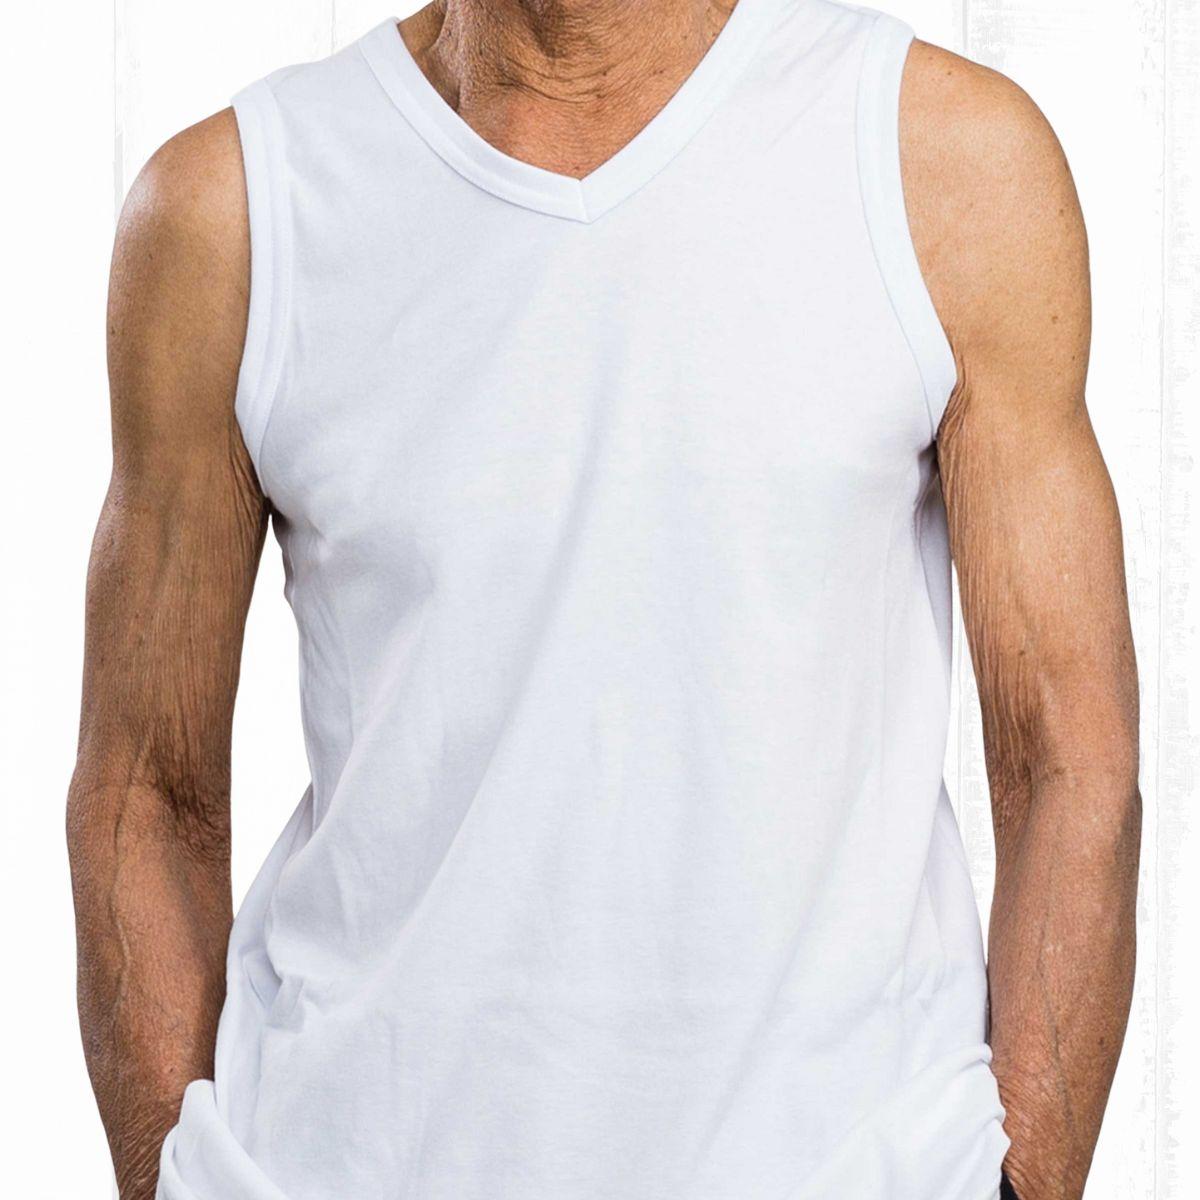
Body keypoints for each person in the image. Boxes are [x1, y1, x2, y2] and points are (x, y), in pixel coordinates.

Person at [67, 1, 1142, 1197]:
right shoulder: (230, 213)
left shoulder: (943, 163)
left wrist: (1021, 1184)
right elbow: (146, 789)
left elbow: (1067, 757)